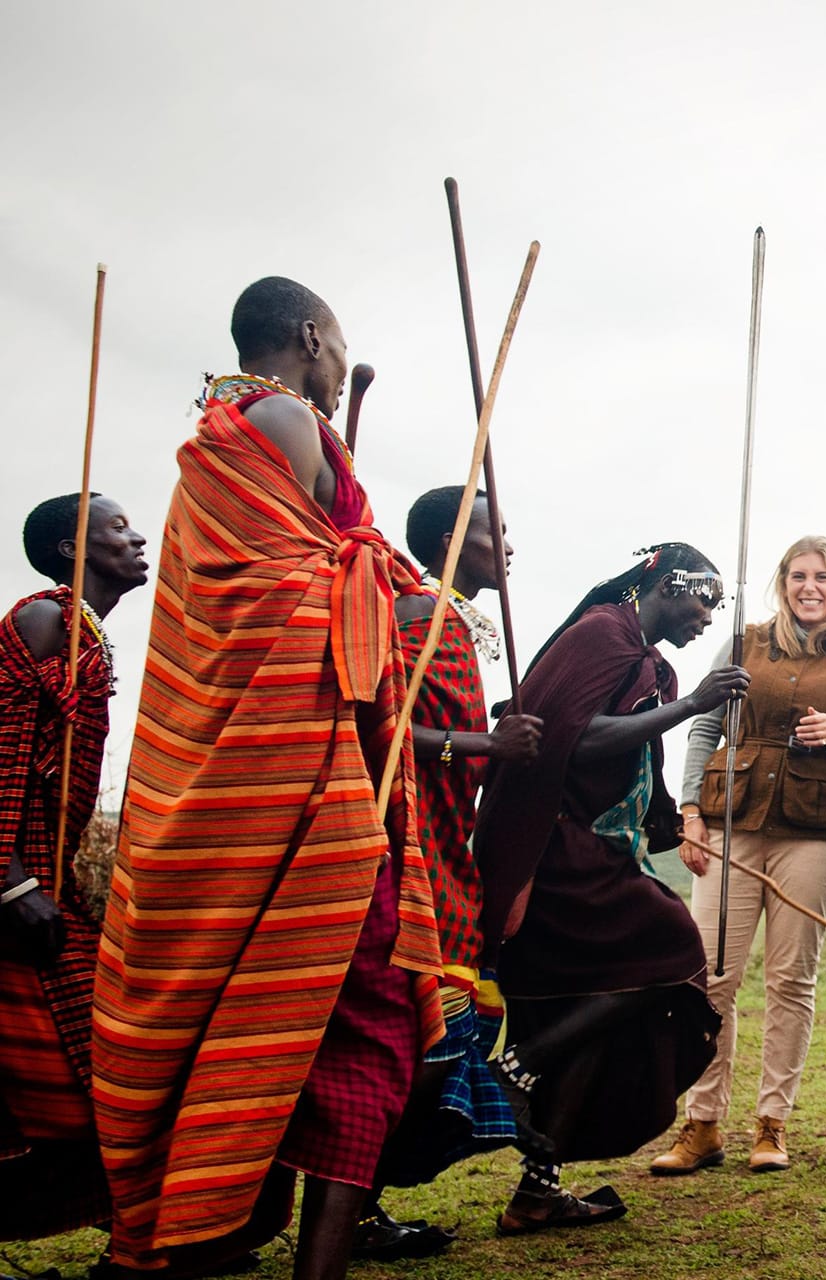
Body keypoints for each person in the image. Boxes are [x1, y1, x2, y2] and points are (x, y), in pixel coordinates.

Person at [90, 278, 444, 1280]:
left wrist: (363, 571)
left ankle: (199, 1228)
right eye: (338, 348)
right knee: (368, 1020)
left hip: (237, 775)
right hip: (304, 793)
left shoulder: (223, 430)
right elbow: (307, 586)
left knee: (256, 1021)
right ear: (309, 337)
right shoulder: (284, 416)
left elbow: (293, 570)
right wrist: (397, 596)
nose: (339, 374)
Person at [473, 544, 739, 1231]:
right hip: (560, 852)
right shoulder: (602, 632)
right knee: (671, 951)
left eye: (718, 605)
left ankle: (538, 1188)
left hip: (598, 851)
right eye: (702, 599)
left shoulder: (637, 651)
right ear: (663, 582)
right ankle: (518, 1065)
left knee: (584, 1021)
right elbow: (577, 739)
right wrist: (694, 706)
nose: (708, 617)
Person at [351, 486, 544, 1258]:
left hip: (445, 848)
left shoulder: (445, 617)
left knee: (435, 1032)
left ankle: (363, 1200)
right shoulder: (418, 616)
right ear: (449, 538)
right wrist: (485, 748)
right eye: (493, 530)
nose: (506, 545)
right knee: (408, 1043)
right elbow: (382, 727)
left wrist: (483, 737)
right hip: (411, 852)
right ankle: (358, 1200)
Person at [654, 536, 826, 1176]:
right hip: (729, 827)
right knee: (712, 978)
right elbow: (703, 726)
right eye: (799, 575)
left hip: (813, 835)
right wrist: (690, 814)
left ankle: (772, 1125)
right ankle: (702, 1125)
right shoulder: (743, 643)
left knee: (790, 980)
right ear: (783, 583)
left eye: (824, 578)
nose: (811, 587)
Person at [0, 493, 146, 1242]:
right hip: (14, 890)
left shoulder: (84, 635)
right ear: (70, 550)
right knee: (50, 1089)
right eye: (118, 529)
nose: (140, 537)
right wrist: (13, 883)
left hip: (50, 885)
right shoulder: (43, 622)